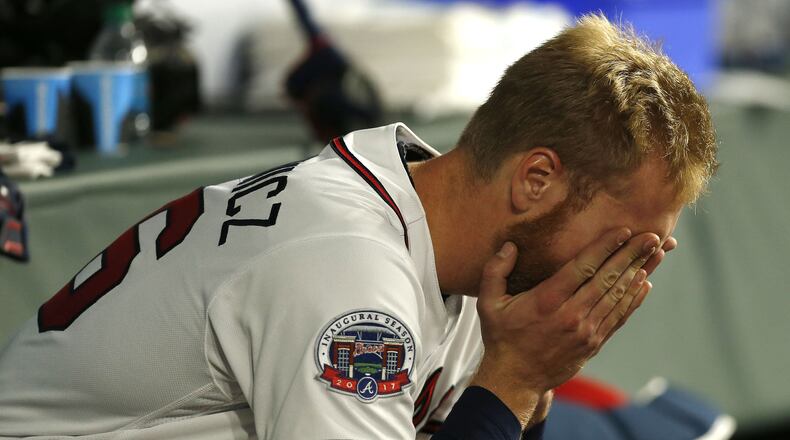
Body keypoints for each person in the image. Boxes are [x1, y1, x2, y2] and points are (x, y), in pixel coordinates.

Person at [0, 14, 717, 439]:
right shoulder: (349, 276)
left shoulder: (450, 232)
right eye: (626, 240)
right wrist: (516, 379)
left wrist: (530, 381)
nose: (631, 268)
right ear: (536, 180)